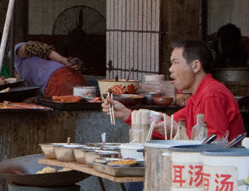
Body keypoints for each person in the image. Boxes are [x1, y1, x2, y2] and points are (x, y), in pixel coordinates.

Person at [104, 39, 244, 141]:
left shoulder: (212, 94)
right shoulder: (195, 98)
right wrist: (126, 114)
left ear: (195, 66)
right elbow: (164, 128)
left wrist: (178, 130)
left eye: (175, 62)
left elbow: (214, 143)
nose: (170, 69)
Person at [13, 40, 86, 97]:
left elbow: (35, 47)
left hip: (57, 81)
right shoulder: (23, 73)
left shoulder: (15, 54)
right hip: (75, 78)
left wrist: (63, 60)